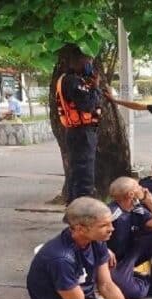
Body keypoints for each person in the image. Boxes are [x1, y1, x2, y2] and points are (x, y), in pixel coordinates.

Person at [107, 177, 152, 299]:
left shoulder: (137, 209)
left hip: (130, 254)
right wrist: (104, 249)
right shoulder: (111, 213)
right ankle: (146, 280)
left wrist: (151, 203)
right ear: (131, 194)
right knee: (133, 293)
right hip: (112, 262)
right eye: (138, 187)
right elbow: (90, 235)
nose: (144, 189)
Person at [56, 50, 102, 203]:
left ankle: (74, 207)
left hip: (78, 132)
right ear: (79, 62)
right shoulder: (73, 82)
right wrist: (95, 88)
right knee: (84, 174)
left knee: (77, 173)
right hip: (81, 133)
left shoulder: (70, 79)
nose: (89, 65)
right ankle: (84, 210)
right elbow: (87, 106)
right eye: (87, 61)